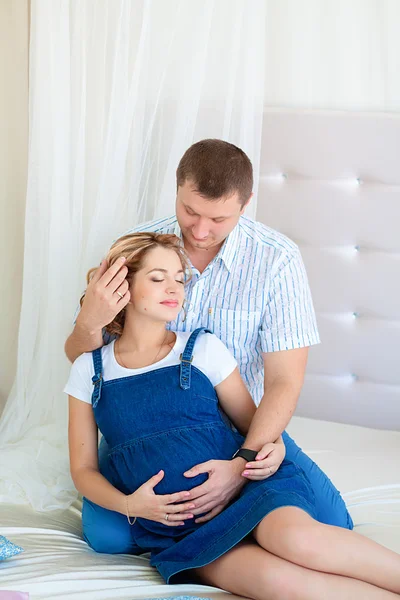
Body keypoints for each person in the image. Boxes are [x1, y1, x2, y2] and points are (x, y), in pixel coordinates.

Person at [65, 232, 400, 600]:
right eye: (158, 278)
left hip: (250, 491)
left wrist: (271, 447)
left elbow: (252, 425)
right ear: (122, 287)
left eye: (179, 277)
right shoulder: (89, 369)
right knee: (281, 584)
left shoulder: (203, 348)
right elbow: (83, 470)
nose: (174, 287)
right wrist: (130, 505)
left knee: (301, 541)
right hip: (180, 532)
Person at [65, 139, 352, 529]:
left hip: (242, 430)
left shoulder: (276, 259)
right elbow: (85, 362)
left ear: (246, 203)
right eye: (190, 211)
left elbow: (285, 380)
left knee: (332, 522)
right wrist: (88, 321)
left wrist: (246, 457)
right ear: (178, 188)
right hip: (147, 432)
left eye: (218, 219)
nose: (200, 231)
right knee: (109, 538)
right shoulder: (139, 249)